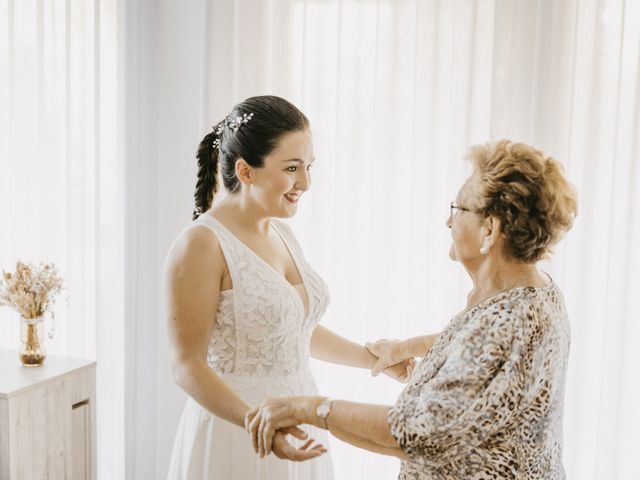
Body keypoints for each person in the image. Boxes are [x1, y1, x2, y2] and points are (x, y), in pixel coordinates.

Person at [245, 139, 578, 480]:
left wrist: (310, 408)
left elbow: (415, 434)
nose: (448, 222)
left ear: (489, 230)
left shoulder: (507, 322)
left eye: (457, 209)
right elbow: (481, 355)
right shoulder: (533, 292)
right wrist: (407, 350)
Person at [164, 95, 412, 480]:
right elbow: (187, 366)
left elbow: (292, 332)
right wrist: (258, 423)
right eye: (292, 168)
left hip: (300, 416)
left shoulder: (281, 231)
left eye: (309, 167)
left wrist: (373, 358)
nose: (306, 183)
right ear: (246, 172)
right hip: (240, 429)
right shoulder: (201, 244)